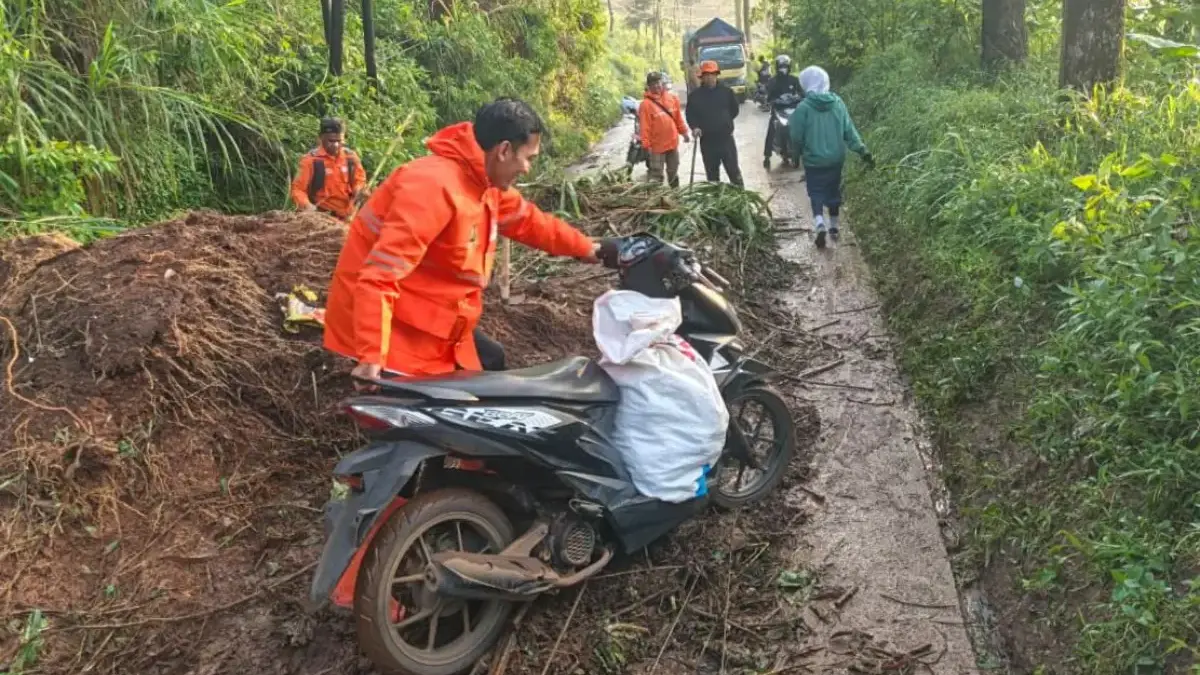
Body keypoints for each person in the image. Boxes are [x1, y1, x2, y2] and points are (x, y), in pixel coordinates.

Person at [323, 98, 605, 384]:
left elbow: (529, 222)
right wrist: (371, 356)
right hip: (392, 334)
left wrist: (588, 249)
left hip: (433, 319)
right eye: (529, 158)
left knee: (492, 361)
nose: (528, 169)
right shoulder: (432, 188)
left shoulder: (484, 182)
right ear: (504, 150)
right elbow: (379, 275)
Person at [788, 66, 873, 249]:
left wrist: (795, 156)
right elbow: (849, 131)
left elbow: (795, 136)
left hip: (813, 161)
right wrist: (863, 151)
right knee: (833, 191)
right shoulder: (838, 103)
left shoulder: (803, 108)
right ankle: (834, 227)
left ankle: (820, 224)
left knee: (816, 192)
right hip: (835, 159)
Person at [290, 118, 367, 220]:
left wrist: (359, 191)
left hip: (349, 216)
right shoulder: (310, 160)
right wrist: (307, 206)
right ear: (320, 138)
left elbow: (360, 181)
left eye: (339, 141)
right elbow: (298, 189)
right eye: (331, 141)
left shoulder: (351, 157)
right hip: (322, 217)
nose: (335, 145)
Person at [685, 61, 744, 187]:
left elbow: (734, 110)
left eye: (712, 74)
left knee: (734, 171)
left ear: (717, 75)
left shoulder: (726, 92)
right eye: (706, 75)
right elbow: (690, 115)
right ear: (702, 77)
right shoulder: (695, 96)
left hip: (726, 139)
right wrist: (695, 127)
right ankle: (716, 202)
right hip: (707, 142)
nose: (709, 77)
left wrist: (725, 121)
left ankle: (741, 197)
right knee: (712, 177)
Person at [638, 72, 690, 187]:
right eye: (652, 84)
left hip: (672, 143)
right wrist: (646, 146)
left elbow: (678, 119)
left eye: (658, 82)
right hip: (656, 147)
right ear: (648, 86)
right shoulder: (645, 105)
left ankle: (676, 195)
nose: (656, 86)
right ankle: (657, 200)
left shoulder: (672, 99)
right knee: (656, 175)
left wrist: (684, 133)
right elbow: (644, 127)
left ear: (662, 83)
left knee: (673, 171)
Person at [763, 55, 803, 169]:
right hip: (778, 111)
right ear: (777, 67)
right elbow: (768, 97)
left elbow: (801, 93)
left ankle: (809, 149)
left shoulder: (794, 80)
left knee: (806, 125)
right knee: (771, 129)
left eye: (785, 66)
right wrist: (772, 101)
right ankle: (767, 156)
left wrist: (799, 97)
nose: (783, 69)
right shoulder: (772, 82)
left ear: (789, 66)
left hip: (793, 110)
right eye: (781, 66)